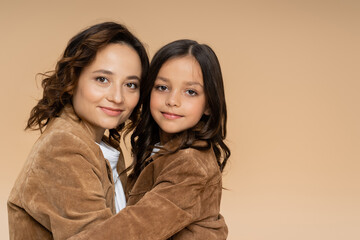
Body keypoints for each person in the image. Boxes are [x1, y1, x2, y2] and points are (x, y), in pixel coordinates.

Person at [7, 21, 149, 239]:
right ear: (73, 80)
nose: (117, 97)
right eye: (102, 79)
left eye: (130, 84)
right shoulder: (64, 148)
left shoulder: (101, 147)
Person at [127, 39, 231, 239]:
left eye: (190, 92)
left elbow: (138, 227)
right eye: (162, 87)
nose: (172, 101)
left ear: (209, 105)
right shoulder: (161, 149)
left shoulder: (190, 162)